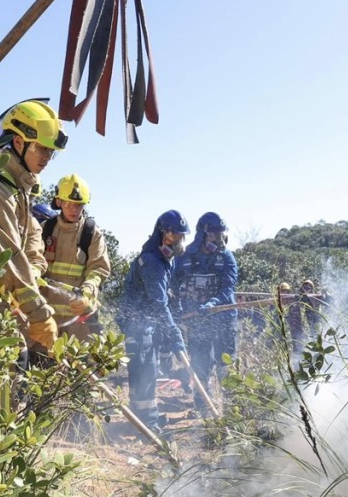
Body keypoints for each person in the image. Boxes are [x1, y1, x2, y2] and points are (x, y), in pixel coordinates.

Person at [0, 99, 68, 363]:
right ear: (18, 143)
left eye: (51, 152)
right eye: (41, 148)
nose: (46, 158)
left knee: (14, 367)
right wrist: (40, 314)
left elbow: (30, 241)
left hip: (0, 305)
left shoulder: (18, 189)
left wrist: (36, 272)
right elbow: (8, 257)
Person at [116, 210, 190, 435]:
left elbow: (168, 295)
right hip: (135, 323)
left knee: (148, 369)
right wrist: (176, 335)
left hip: (147, 322)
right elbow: (159, 303)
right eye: (174, 236)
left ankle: (144, 420)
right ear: (162, 234)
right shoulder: (151, 262)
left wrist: (173, 321)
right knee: (144, 371)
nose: (178, 241)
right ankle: (147, 425)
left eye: (180, 236)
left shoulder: (166, 260)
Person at [172, 212, 238, 414]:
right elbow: (173, 284)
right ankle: (205, 411)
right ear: (202, 234)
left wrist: (212, 303)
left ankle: (230, 410)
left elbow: (228, 288)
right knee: (201, 365)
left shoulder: (226, 257)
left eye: (221, 235)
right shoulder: (184, 257)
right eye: (214, 235)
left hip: (224, 318)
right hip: (197, 321)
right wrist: (178, 306)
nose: (218, 240)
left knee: (225, 364)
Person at [40, 174, 111, 341]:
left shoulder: (91, 233)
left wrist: (88, 291)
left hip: (79, 320)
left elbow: (98, 269)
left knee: (82, 364)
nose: (74, 210)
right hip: (48, 319)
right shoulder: (45, 230)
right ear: (59, 202)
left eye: (79, 205)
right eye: (68, 204)